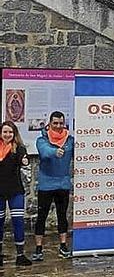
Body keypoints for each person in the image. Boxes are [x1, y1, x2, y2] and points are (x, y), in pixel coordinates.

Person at [32, 111, 74, 261]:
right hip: (46, 184)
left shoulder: (70, 140)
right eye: (55, 123)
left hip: (63, 183)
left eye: (60, 123)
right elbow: (44, 152)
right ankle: (38, 248)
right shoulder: (41, 139)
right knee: (41, 216)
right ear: (50, 124)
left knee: (62, 216)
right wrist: (55, 151)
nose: (58, 126)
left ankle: (63, 245)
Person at [0, 121, 31, 266]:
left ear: (14, 134)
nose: (7, 135)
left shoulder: (19, 148)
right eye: (5, 132)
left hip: (15, 190)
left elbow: (23, 159)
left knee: (18, 222)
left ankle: (20, 255)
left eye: (10, 132)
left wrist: (24, 161)